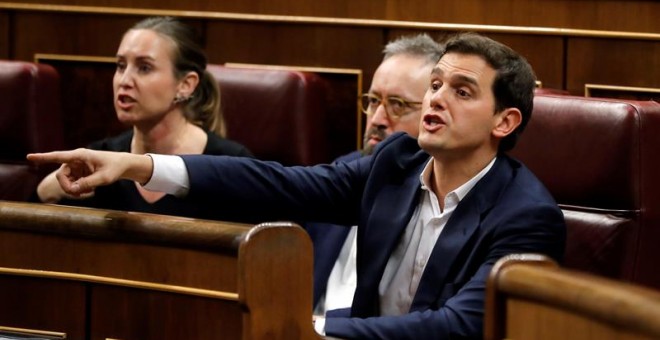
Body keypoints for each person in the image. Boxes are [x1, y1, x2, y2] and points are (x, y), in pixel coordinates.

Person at [28, 32, 566, 339]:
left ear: (505, 123)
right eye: (434, 84)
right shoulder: (395, 162)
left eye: (462, 91)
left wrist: (310, 331)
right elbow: (279, 184)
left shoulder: (524, 215)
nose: (436, 99)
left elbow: (455, 329)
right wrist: (140, 167)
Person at [34, 16, 252, 218]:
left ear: (185, 85)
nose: (124, 80)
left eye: (144, 68)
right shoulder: (95, 164)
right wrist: (46, 193)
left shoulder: (230, 163)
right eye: (121, 66)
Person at [306, 33, 444, 316]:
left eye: (398, 104)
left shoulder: (439, 197)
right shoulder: (342, 170)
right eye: (372, 101)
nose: (378, 118)